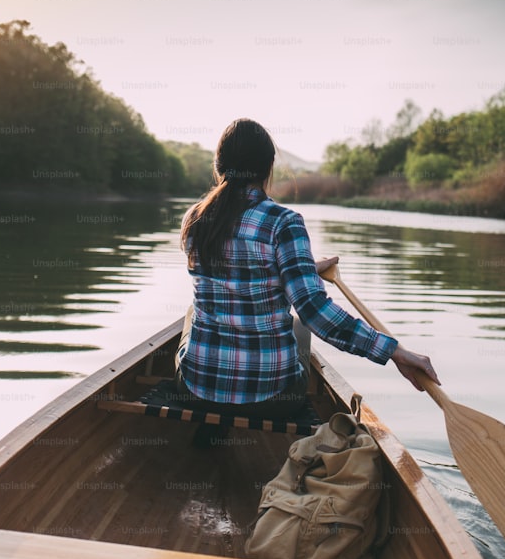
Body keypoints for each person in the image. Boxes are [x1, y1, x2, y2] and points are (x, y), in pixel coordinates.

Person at [175, 118, 439, 421]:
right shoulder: (283, 222)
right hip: (271, 399)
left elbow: (237, 269)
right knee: (299, 324)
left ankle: (213, 423)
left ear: (218, 165)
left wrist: (303, 268)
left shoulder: (194, 218)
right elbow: (314, 312)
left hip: (196, 390)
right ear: (268, 167)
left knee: (193, 312)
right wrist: (394, 352)